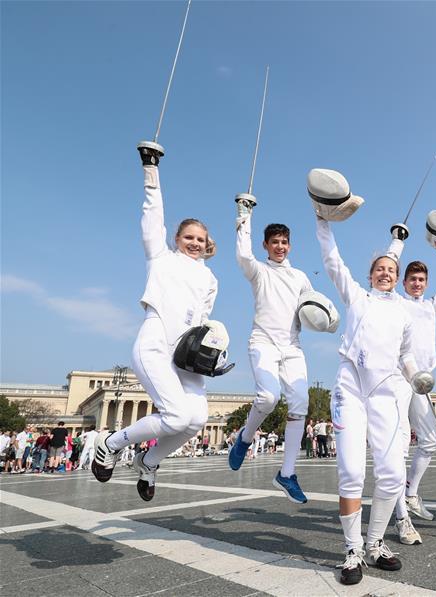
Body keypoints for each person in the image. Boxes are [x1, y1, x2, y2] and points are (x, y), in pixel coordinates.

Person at [91, 145, 221, 502]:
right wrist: (151, 171)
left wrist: (213, 354)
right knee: (177, 416)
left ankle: (149, 461)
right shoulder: (161, 258)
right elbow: (153, 216)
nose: (195, 242)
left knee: (195, 420)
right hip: (155, 343)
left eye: (200, 239)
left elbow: (204, 321)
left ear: (208, 244)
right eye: (188, 237)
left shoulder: (211, 279)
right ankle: (112, 442)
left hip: (188, 354)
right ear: (177, 240)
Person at [316, 211, 431, 586]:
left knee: (393, 473)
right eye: (379, 268)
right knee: (351, 472)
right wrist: (323, 221)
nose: (385, 272)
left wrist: (418, 378)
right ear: (370, 276)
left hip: (385, 394)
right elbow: (332, 262)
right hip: (350, 390)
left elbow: (407, 357)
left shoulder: (404, 312)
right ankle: (352, 550)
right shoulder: (357, 297)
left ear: (396, 278)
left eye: (390, 269)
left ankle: (376, 543)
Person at [228, 207, 318, 506]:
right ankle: (245, 437)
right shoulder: (259, 270)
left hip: (292, 348)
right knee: (268, 397)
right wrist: (244, 217)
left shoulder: (300, 276)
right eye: (274, 242)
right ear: (265, 245)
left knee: (300, 406)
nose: (280, 246)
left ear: (289, 245)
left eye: (284, 242)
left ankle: (287, 474)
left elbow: (312, 307)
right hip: (263, 342)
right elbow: (242, 254)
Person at [390, 239, 436, 546]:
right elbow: (387, 267)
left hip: (421, 382)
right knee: (400, 444)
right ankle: (400, 513)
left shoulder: (432, 305)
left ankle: (411, 493)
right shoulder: (396, 302)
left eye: (421, 280)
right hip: (396, 377)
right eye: (413, 279)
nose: (417, 283)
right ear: (404, 282)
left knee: (430, 440)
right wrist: (398, 242)